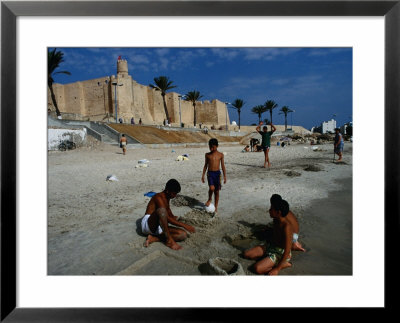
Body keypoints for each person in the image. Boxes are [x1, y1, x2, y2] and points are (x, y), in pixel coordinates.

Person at [243, 194, 304, 275]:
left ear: (278, 212)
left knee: (257, 268)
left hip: (280, 253)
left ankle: (283, 264)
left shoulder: (287, 227)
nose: (269, 210)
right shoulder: (276, 220)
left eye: (271, 209)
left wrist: (277, 269)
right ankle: (268, 260)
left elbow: (286, 251)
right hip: (271, 246)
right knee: (246, 254)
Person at [141, 179, 195, 250]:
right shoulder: (158, 197)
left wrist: (177, 220)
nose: (175, 196)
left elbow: (169, 214)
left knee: (182, 235)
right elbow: (166, 217)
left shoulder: (167, 197)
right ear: (167, 191)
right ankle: (169, 241)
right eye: (174, 193)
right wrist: (184, 225)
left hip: (158, 226)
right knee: (162, 211)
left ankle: (154, 238)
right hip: (148, 225)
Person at [201, 138, 227, 215]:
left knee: (217, 192)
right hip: (210, 174)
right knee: (211, 188)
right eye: (210, 147)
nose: (212, 148)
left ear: (217, 146)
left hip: (217, 174)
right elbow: (205, 165)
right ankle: (209, 199)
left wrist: (225, 176)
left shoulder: (221, 155)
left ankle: (216, 207)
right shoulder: (207, 155)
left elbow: (223, 166)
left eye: (213, 147)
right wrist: (203, 175)